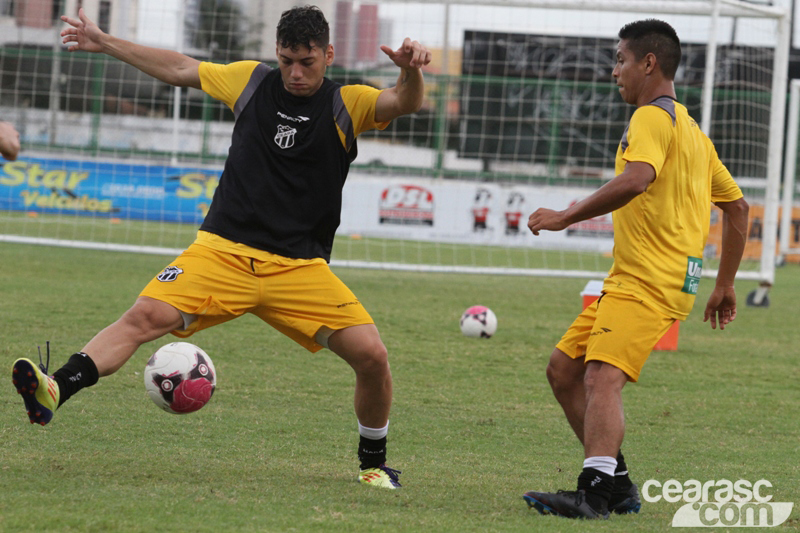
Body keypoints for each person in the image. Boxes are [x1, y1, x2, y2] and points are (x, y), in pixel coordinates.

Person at [11, 5, 432, 490]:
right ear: (277, 54)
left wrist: (410, 70)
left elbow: (404, 102)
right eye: (287, 60)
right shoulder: (250, 81)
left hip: (300, 270)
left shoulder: (347, 103)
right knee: (142, 317)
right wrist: (105, 42)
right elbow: (179, 67)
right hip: (222, 253)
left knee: (373, 356)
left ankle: (373, 465)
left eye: (307, 62)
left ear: (329, 55)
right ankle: (55, 389)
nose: (295, 72)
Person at [522, 19, 749, 519]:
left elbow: (635, 179)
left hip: (650, 279)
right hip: (650, 279)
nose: (614, 71)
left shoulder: (650, 117)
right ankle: (618, 485)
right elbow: (738, 208)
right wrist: (725, 284)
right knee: (564, 370)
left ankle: (593, 495)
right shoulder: (692, 132)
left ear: (649, 64)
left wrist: (564, 215)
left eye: (620, 60)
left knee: (601, 377)